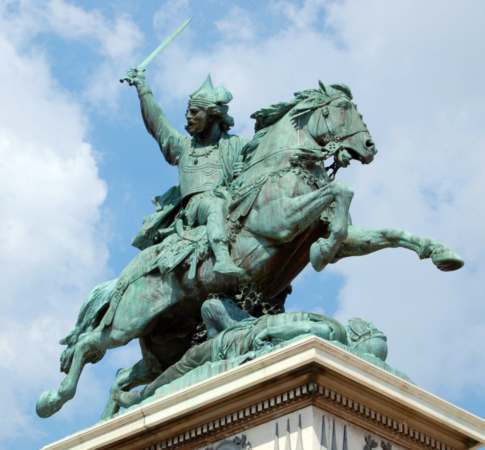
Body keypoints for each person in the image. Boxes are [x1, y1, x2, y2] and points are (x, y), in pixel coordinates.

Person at [125, 69, 246, 275]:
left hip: (232, 200)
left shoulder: (237, 145)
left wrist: (243, 170)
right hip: (197, 206)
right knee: (213, 204)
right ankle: (222, 259)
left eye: (194, 112)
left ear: (212, 115)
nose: (188, 117)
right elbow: (157, 122)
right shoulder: (183, 147)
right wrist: (143, 89)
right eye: (188, 112)